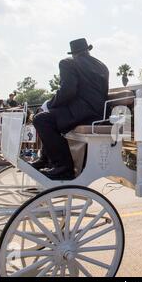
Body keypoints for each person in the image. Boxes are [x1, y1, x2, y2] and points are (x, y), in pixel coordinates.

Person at [31, 38, 109, 180]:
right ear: (87, 50)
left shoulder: (68, 63)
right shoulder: (101, 65)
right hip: (99, 113)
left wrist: (49, 104)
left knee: (41, 119)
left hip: (82, 112)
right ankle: (46, 158)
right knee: (46, 117)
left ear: (74, 53)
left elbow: (68, 91)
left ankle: (63, 168)